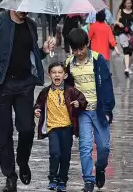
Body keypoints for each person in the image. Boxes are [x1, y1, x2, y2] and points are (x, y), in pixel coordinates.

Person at [0, 10, 55, 192]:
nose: (25, 11)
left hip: (25, 84)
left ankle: (23, 160)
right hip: (0, 84)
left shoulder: (31, 25)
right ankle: (10, 175)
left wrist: (43, 50)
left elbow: (32, 54)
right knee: (4, 132)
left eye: (28, 8)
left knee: (27, 128)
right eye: (22, 7)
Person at [64, 28, 115, 192]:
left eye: (81, 48)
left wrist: (107, 110)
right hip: (83, 112)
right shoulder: (69, 63)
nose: (79, 52)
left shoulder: (98, 59)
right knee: (85, 146)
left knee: (104, 147)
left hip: (99, 111)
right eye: (75, 49)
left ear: (87, 44)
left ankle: (100, 168)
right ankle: (88, 180)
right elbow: (67, 89)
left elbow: (107, 85)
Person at [34, 62, 87, 192]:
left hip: (67, 128)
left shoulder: (70, 90)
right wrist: (36, 110)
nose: (57, 75)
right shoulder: (45, 92)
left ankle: (62, 179)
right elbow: (38, 104)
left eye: (60, 72)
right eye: (54, 72)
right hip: (53, 128)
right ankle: (52, 178)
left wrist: (78, 104)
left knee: (65, 155)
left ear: (65, 75)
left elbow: (83, 100)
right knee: (54, 153)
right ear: (49, 75)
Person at [114, 0, 133, 77]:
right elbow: (116, 21)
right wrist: (119, 24)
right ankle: (126, 68)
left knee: (130, 52)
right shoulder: (120, 11)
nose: (128, 4)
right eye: (127, 3)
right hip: (123, 33)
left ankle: (127, 66)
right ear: (124, 3)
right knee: (126, 49)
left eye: (130, 3)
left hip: (132, 33)